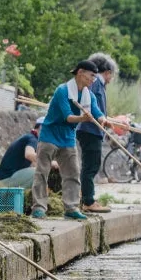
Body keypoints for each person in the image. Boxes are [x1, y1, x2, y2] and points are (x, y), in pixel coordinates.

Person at [32, 61, 98, 221]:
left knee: (73, 173)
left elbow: (96, 112)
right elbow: (68, 117)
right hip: (50, 135)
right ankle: (39, 208)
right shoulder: (63, 91)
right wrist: (83, 118)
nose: (93, 80)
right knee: (42, 172)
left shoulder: (88, 95)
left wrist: (104, 120)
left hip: (68, 138)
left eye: (95, 77)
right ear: (80, 72)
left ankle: (71, 207)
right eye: (91, 75)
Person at [78, 52, 132, 215]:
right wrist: (110, 121)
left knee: (90, 165)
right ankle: (88, 201)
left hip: (91, 130)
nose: (111, 78)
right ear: (107, 72)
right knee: (91, 166)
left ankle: (86, 198)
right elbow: (93, 111)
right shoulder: (96, 85)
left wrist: (110, 120)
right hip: (89, 130)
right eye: (111, 75)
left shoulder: (97, 85)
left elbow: (99, 112)